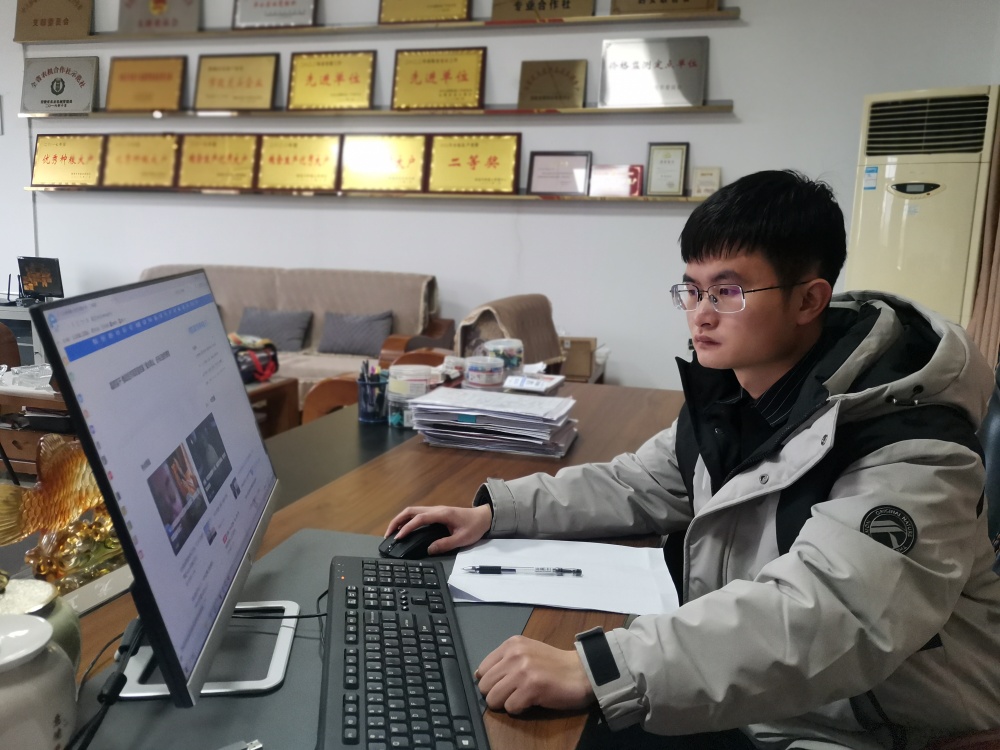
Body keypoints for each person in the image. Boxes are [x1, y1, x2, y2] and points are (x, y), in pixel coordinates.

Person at [387, 170, 1000, 749]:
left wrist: (600, 667)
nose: (701, 313)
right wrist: (497, 512)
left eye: (728, 291)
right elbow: (638, 483)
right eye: (692, 289)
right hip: (758, 699)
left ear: (809, 300)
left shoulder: (911, 446)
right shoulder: (740, 394)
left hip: (866, 729)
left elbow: (833, 615)